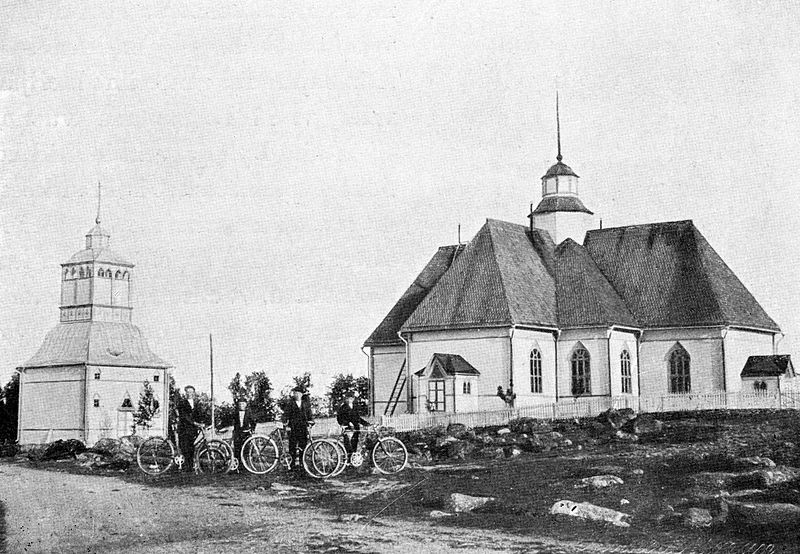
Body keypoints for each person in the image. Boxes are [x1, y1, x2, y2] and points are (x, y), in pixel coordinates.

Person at [281, 386, 314, 471]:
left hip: (303, 428)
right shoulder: (290, 404)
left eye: (299, 393)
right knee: (292, 447)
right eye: (295, 393)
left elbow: (310, 415)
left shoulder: (305, 404)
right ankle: (292, 465)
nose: (297, 395)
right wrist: (286, 425)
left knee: (303, 445)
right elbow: (285, 416)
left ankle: (302, 463)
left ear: (302, 394)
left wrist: (311, 422)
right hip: (293, 428)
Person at [177, 385, 204, 471]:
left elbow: (199, 414)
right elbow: (184, 416)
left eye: (191, 392)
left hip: (193, 429)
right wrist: (195, 423)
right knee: (185, 447)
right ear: (185, 393)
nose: (190, 394)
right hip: (184, 428)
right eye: (188, 392)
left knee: (192, 447)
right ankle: (186, 467)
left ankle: (190, 466)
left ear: (194, 393)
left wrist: (202, 423)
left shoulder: (196, 403)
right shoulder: (182, 403)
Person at [336, 393, 370, 460]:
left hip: (355, 429)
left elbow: (358, 418)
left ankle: (353, 459)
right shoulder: (343, 407)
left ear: (353, 399)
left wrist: (366, 424)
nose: (350, 400)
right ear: (346, 399)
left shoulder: (355, 407)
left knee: (355, 444)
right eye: (348, 398)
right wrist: (346, 423)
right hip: (348, 429)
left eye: (352, 398)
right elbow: (339, 418)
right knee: (348, 444)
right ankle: (348, 459)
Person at [232, 398, 256, 465]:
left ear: (245, 405)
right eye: (239, 404)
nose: (241, 405)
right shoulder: (236, 413)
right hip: (238, 433)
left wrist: (252, 429)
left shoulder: (248, 413)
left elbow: (253, 422)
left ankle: (246, 465)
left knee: (246, 449)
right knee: (237, 449)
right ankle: (237, 465)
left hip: (246, 433)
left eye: (242, 404)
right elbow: (234, 423)